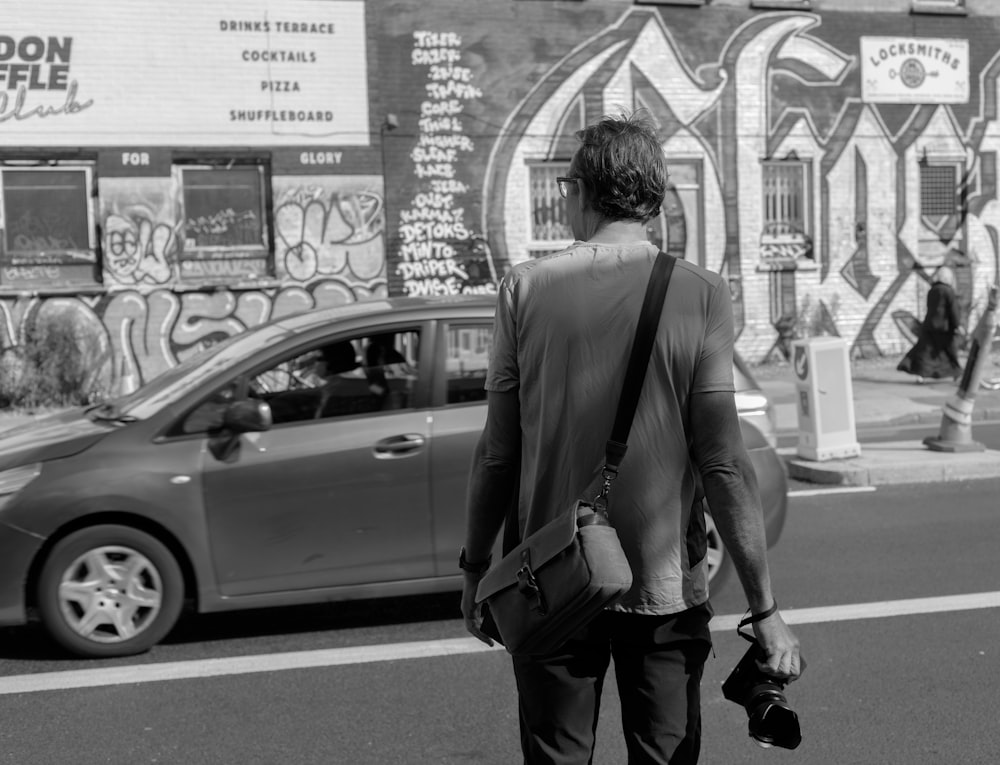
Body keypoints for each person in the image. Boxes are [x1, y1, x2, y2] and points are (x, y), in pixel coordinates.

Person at [460, 111, 803, 764]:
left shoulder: (525, 289)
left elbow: (499, 452)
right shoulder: (700, 293)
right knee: (664, 753)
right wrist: (764, 606)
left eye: (564, 187)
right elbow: (725, 464)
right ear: (653, 201)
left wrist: (476, 568)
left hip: (549, 575)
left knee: (556, 755)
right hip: (664, 585)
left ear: (582, 191)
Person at [897, 266, 963, 383]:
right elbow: (953, 310)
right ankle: (955, 373)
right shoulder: (948, 291)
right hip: (944, 328)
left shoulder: (932, 290)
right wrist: (957, 325)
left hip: (930, 325)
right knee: (948, 352)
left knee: (925, 352)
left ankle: (920, 374)